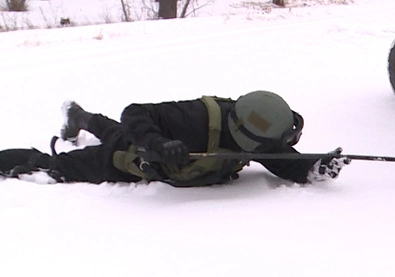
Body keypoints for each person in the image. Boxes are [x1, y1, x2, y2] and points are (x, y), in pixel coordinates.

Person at [0, 91, 349, 186]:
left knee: (115, 133)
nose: (271, 149)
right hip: (135, 160)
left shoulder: (256, 132)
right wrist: (157, 144)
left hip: (148, 145)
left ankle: (81, 118)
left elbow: (280, 159)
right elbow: (135, 113)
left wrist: (313, 168)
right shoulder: (196, 117)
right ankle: (78, 121)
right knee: (56, 167)